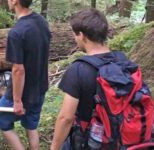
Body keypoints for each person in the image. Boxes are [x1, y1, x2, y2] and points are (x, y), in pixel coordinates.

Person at [50, 9, 122, 149]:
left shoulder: (79, 69)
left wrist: (54, 146)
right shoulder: (123, 62)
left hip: (92, 141)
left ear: (82, 36)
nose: (74, 38)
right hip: (124, 137)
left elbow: (66, 118)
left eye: (75, 35)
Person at [0, 0, 51, 149]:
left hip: (22, 93)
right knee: (31, 125)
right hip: (40, 88)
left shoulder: (17, 32)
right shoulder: (41, 21)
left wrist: (17, 101)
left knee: (0, 120)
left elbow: (18, 70)